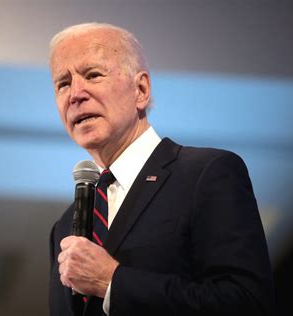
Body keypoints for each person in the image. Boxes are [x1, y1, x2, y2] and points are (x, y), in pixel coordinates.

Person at [48, 22, 275, 316]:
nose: (75, 94)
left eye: (93, 75)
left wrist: (113, 282)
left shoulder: (206, 174)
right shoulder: (63, 228)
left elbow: (247, 302)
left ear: (140, 90)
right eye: (62, 83)